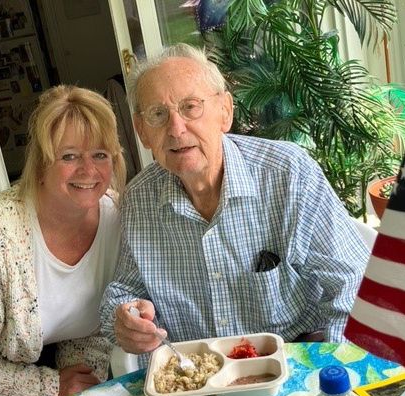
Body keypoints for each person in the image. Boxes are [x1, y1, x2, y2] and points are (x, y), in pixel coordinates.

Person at [99, 43, 369, 360]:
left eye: (190, 107)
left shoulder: (288, 174)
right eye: (158, 114)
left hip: (294, 358)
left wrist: (333, 373)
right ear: (142, 131)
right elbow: (125, 290)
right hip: (197, 376)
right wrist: (126, 316)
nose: (176, 129)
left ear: (225, 112)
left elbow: (353, 284)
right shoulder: (139, 198)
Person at [0, 85, 126, 396]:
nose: (88, 170)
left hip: (52, 341)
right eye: (69, 156)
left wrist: (79, 377)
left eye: (100, 154)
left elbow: (94, 316)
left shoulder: (116, 217)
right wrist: (51, 388)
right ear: (41, 164)